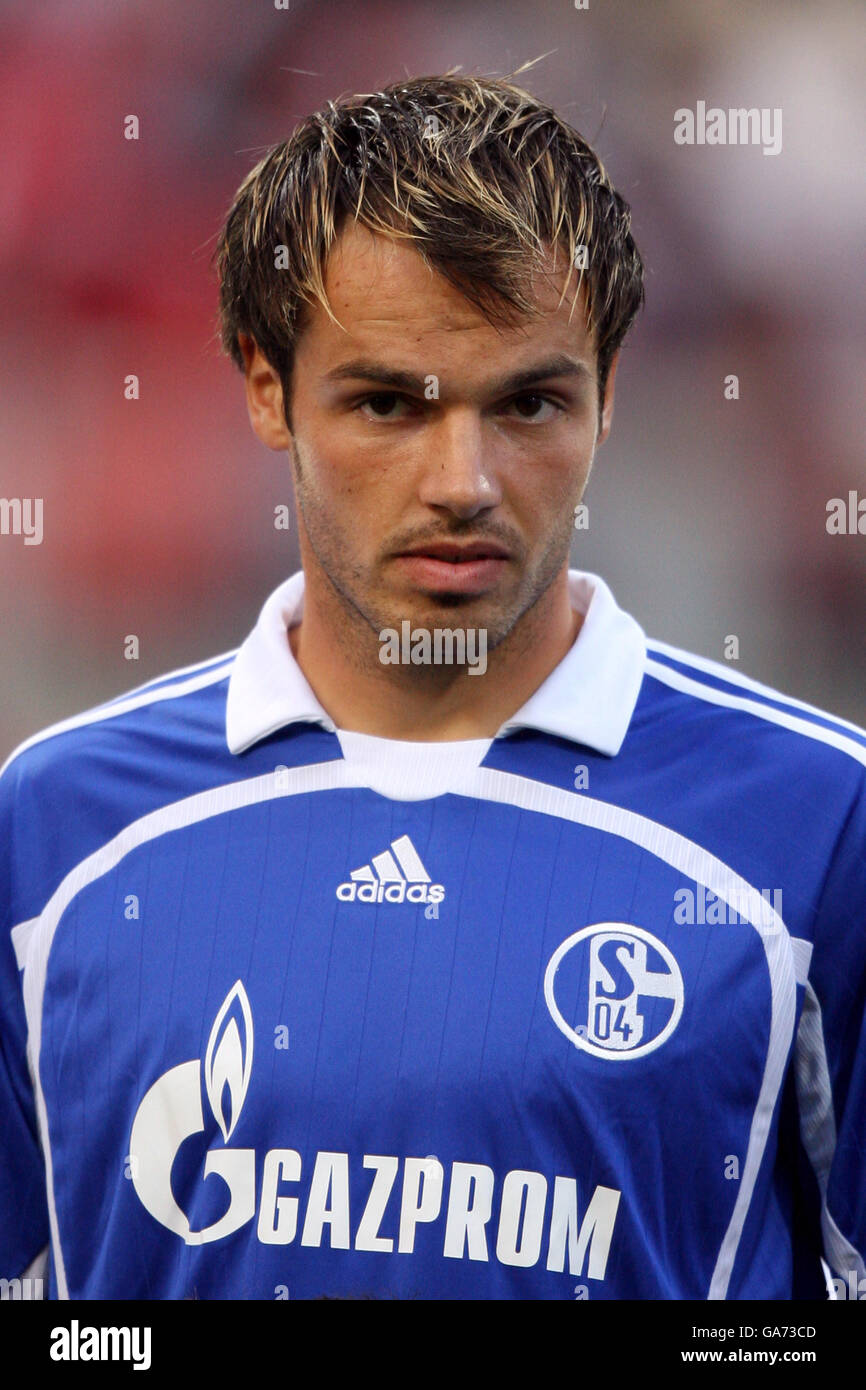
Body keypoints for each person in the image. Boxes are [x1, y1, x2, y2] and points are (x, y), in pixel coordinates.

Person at [1, 72, 863, 1303]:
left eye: (528, 402)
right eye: (385, 404)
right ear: (263, 387)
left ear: (610, 393)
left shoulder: (821, 820)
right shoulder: (55, 829)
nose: (462, 479)